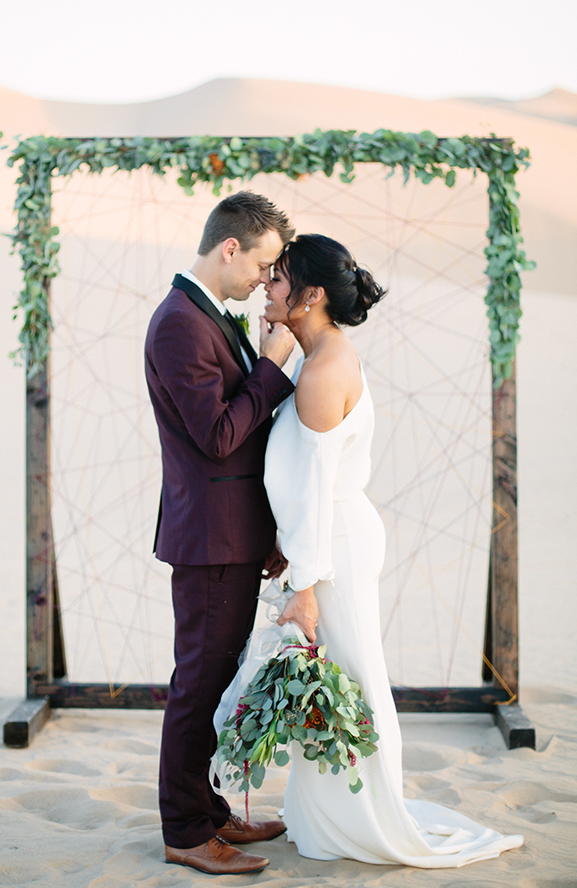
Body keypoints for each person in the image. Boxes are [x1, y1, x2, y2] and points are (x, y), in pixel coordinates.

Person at [258, 233, 524, 866]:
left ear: (312, 295)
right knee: (331, 680)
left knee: (352, 681)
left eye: (279, 276)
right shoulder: (315, 351)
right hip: (323, 541)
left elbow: (317, 488)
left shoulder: (323, 371)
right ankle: (329, 810)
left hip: (335, 546)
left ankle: (368, 817)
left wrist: (305, 585)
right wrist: (285, 547)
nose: (267, 283)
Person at [144, 192, 298, 875]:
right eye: (263, 264)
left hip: (232, 534)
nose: (266, 281)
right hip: (208, 540)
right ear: (229, 247)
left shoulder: (212, 315)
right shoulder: (180, 323)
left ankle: (208, 813)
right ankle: (184, 830)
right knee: (198, 685)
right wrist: (271, 367)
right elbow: (218, 435)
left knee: (218, 679)